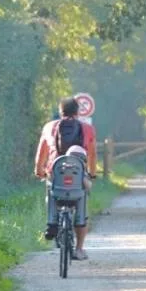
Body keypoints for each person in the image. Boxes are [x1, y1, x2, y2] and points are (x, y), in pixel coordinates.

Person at [34, 97, 98, 260]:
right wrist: (92, 173)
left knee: (52, 192)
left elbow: (42, 152)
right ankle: (79, 249)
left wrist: (39, 170)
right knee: (82, 200)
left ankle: (51, 223)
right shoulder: (88, 129)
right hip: (78, 175)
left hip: (55, 173)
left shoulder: (49, 127)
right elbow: (92, 154)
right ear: (77, 112)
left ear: (60, 111)